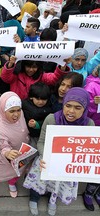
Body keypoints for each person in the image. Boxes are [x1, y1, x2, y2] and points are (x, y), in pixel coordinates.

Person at [23, 87, 95, 216]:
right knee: (40, 181)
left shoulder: (89, 125)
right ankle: (34, 198)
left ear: (85, 108)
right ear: (64, 104)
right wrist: (45, 157)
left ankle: (53, 200)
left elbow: (89, 151)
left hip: (69, 166)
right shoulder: (52, 119)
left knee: (57, 184)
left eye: (78, 108)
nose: (71, 111)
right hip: (46, 160)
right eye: (68, 105)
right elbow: (41, 141)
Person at [0, 91, 30, 208]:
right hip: (7, 158)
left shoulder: (22, 114)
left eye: (18, 110)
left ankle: (12, 183)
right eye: (11, 111)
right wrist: (7, 153)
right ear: (3, 110)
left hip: (24, 153)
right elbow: (3, 145)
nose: (16, 114)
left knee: (19, 171)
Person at [1, 56, 70, 100]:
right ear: (24, 65)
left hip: (34, 109)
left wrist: (62, 67)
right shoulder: (16, 74)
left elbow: (54, 78)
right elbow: (5, 78)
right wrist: (10, 65)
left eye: (34, 67)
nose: (31, 70)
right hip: (17, 106)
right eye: (28, 66)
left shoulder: (42, 76)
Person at [83, 65, 100, 211]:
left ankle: (98, 192)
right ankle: (89, 192)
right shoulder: (92, 86)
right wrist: (95, 103)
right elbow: (83, 110)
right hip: (95, 129)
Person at [22, 82, 52, 149]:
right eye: (38, 99)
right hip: (26, 134)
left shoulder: (49, 107)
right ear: (31, 97)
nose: (41, 102)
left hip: (39, 135)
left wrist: (37, 124)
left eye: (44, 99)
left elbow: (48, 122)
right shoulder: (23, 104)